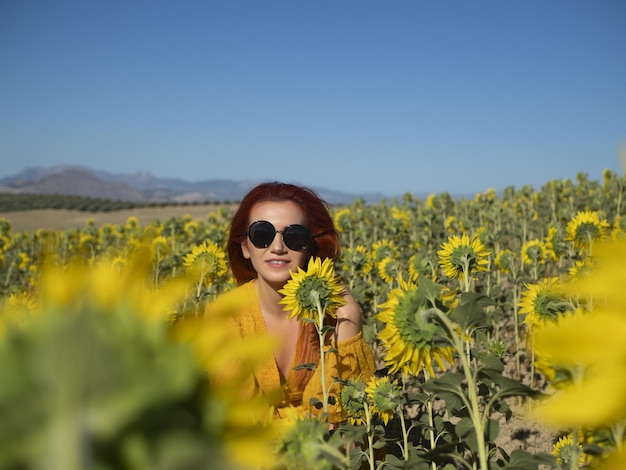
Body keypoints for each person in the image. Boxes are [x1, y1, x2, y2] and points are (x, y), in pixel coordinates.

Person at [203, 181, 375, 423]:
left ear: (308, 248)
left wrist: (348, 323)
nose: (277, 247)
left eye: (294, 236)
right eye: (262, 234)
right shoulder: (226, 315)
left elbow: (344, 415)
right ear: (244, 246)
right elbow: (241, 421)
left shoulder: (330, 313)